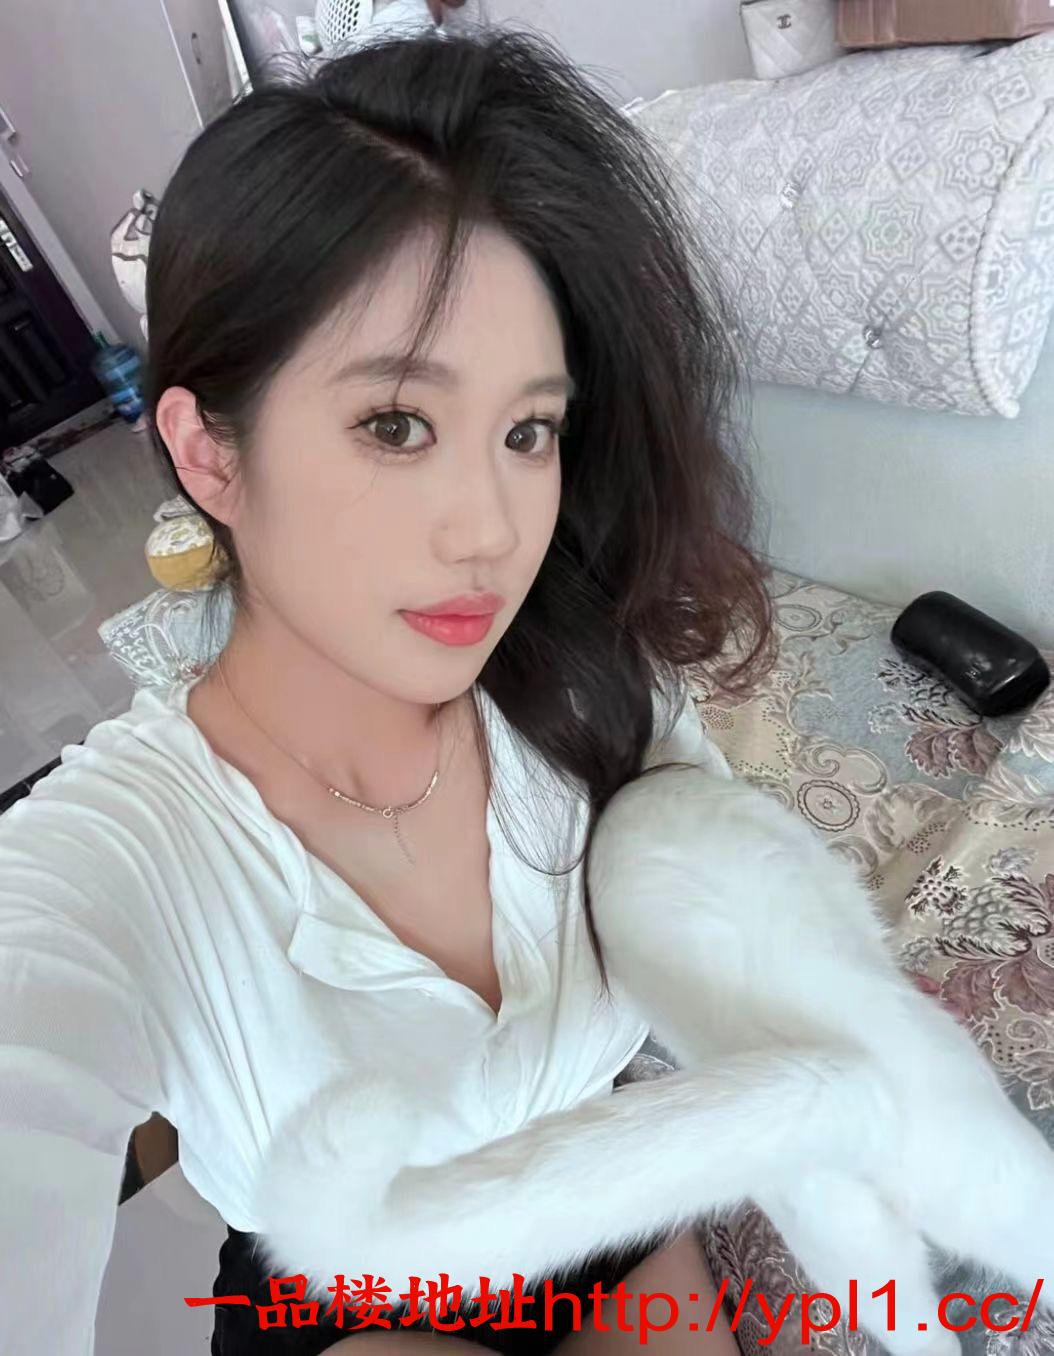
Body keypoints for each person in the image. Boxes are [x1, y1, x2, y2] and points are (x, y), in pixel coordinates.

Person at [0, 24, 776, 1356]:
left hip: (598, 1188)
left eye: (527, 430)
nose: (491, 530)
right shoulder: (116, 860)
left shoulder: (583, 680)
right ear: (212, 454)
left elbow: (724, 881)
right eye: (396, 424)